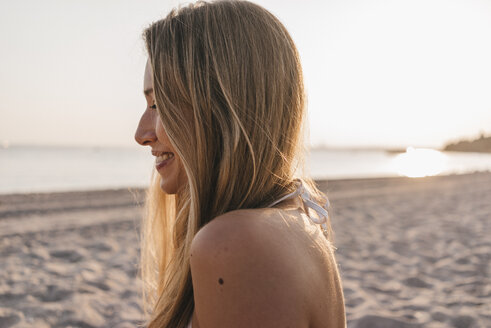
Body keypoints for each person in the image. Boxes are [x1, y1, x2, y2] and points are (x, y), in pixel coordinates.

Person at [134, 1, 346, 327]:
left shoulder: (235, 246)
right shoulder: (299, 220)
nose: (141, 134)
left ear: (218, 107)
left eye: (159, 103)